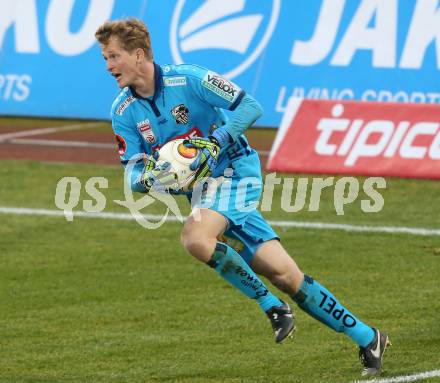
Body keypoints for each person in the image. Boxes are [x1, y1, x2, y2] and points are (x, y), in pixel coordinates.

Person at [95, 18, 390, 376]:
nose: (108, 65)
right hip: (205, 192)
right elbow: (131, 172)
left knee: (196, 238)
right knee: (286, 275)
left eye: (113, 56)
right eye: (106, 58)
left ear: (137, 54)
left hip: (237, 171)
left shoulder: (189, 78)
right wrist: (150, 179)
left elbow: (250, 106)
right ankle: (368, 337)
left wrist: (215, 142)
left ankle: (271, 307)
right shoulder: (123, 111)